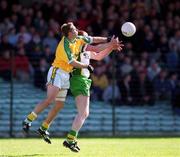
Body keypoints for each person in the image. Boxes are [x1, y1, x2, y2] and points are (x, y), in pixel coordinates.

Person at [22, 23, 115, 142]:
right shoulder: (65, 45)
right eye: (75, 29)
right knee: (50, 99)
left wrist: (108, 40)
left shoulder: (78, 40)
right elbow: (72, 62)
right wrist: (87, 65)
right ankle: (28, 120)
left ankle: (43, 127)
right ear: (70, 33)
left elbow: (94, 40)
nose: (77, 30)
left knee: (60, 105)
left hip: (66, 75)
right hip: (57, 71)